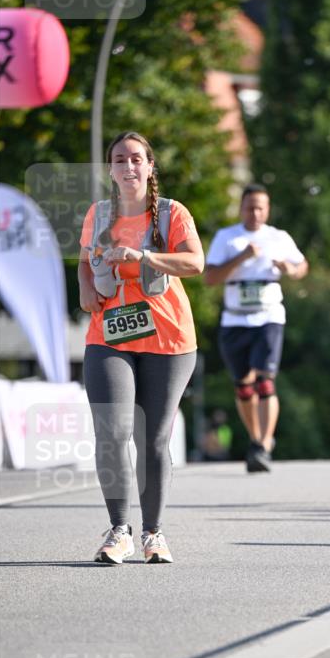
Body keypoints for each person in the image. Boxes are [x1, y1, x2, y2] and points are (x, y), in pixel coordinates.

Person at [78, 131, 204, 564]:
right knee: (112, 433)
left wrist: (144, 257)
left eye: (136, 159)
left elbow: (194, 262)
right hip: (108, 336)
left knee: (153, 438)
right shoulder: (97, 214)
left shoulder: (171, 214)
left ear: (150, 167)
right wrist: (84, 289)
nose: (128, 167)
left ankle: (154, 534)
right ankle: (120, 531)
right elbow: (83, 261)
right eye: (119, 160)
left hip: (167, 338)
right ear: (110, 170)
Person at [204, 185, 308, 472]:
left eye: (261, 207)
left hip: (269, 315)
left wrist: (290, 269)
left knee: (265, 380)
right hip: (235, 318)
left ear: (268, 209)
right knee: (243, 386)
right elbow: (210, 277)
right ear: (241, 208)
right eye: (250, 207)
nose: (256, 212)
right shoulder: (227, 237)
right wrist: (242, 257)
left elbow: (302, 267)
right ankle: (256, 439)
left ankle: (262, 444)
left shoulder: (278, 237)